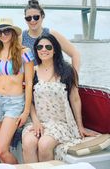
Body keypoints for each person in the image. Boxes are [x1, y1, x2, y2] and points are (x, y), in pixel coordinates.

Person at [22, 33, 96, 162]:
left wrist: (80, 126)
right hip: (37, 121)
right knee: (28, 143)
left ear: (55, 49)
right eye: (40, 47)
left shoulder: (68, 71)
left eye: (48, 47)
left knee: (44, 145)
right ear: (36, 51)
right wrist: (35, 121)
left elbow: (75, 99)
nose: (44, 50)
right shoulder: (32, 71)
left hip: (60, 123)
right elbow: (29, 100)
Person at [0, 18, 34, 164]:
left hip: (13, 103)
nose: (3, 34)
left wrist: (26, 111)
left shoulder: (24, 52)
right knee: (2, 151)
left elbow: (30, 82)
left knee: (1, 150)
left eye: (6, 31)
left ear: (13, 32)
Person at [22, 0, 80, 71]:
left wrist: (75, 78)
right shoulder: (21, 37)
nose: (32, 20)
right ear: (25, 20)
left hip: (52, 79)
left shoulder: (52, 34)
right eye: (28, 18)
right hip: (30, 80)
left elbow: (75, 53)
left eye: (36, 17)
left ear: (42, 16)